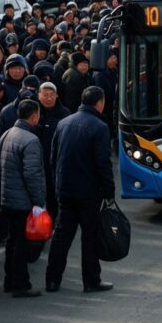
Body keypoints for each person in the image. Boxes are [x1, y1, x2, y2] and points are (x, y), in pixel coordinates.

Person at [45, 86, 114, 293]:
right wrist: (108, 191)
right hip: (88, 192)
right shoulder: (99, 127)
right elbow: (103, 164)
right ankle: (91, 280)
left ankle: (52, 280)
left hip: (65, 190)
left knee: (61, 236)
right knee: (89, 236)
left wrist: (58, 183)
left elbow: (53, 157)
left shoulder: (63, 123)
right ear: (99, 102)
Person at [0, 99, 46, 297]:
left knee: (12, 241)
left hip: (7, 197)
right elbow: (32, 174)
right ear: (34, 116)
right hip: (22, 200)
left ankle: (10, 281)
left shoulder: (7, 134)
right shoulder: (31, 140)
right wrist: (39, 201)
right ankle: (20, 284)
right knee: (21, 244)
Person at [37, 82, 70, 220]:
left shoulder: (64, 113)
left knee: (53, 193)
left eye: (51, 95)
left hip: (55, 161)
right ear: (39, 96)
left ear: (57, 96)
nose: (48, 98)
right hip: (36, 161)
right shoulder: (34, 112)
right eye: (45, 95)